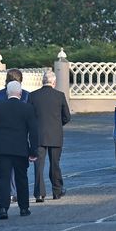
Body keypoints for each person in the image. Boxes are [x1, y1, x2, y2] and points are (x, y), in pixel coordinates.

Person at [0, 81, 38, 219]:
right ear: (21, 94)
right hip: (21, 149)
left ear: (6, 93)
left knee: (3, 178)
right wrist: (33, 152)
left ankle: (3, 208)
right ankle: (24, 208)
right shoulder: (27, 108)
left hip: (2, 150)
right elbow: (33, 132)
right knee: (22, 178)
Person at [28, 70, 71, 202]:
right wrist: (58, 124)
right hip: (55, 134)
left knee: (38, 166)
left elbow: (29, 117)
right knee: (55, 164)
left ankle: (39, 194)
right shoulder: (60, 95)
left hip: (38, 135)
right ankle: (57, 191)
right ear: (54, 82)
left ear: (42, 81)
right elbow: (67, 117)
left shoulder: (33, 96)